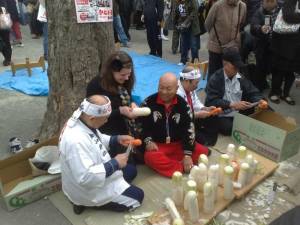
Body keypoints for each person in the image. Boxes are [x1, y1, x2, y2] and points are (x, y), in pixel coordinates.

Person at [59, 95, 144, 214]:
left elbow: (95, 138)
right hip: (87, 188)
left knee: (132, 171)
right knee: (138, 197)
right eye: (105, 118)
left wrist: (116, 139)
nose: (107, 121)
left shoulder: (82, 117)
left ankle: (114, 188)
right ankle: (86, 203)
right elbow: (85, 177)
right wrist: (115, 163)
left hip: (96, 172)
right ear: (93, 118)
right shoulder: (75, 141)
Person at [139, 73, 209, 177]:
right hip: (158, 146)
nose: (164, 92)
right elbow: (140, 125)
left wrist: (187, 154)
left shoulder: (184, 105)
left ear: (176, 88)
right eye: (161, 88)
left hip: (178, 144)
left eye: (168, 89)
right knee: (150, 157)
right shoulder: (148, 102)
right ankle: (180, 167)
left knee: (203, 152)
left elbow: (189, 129)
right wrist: (148, 141)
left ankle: (178, 162)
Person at [86, 51, 141, 156]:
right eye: (122, 75)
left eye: (129, 74)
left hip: (124, 127)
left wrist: (132, 103)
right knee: (130, 169)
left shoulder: (125, 82)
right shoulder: (96, 85)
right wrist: (120, 111)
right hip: (106, 131)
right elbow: (92, 116)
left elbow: (127, 99)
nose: (126, 78)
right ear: (111, 71)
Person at [205, 48, 265, 135]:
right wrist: (232, 104)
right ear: (225, 64)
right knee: (229, 128)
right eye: (235, 67)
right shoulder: (215, 79)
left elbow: (252, 91)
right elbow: (211, 101)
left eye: (238, 67)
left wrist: (260, 100)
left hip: (238, 111)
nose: (237, 69)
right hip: (221, 113)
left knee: (263, 111)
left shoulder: (240, 77)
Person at [205, 0, 247, 80]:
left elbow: (241, 24)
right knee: (214, 74)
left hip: (232, 48)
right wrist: (215, 37)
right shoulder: (218, 5)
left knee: (229, 75)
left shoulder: (243, 6)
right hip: (216, 47)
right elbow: (207, 24)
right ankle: (211, 91)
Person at [177, 66, 218, 146]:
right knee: (202, 140)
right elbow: (181, 116)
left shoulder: (189, 88)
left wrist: (205, 108)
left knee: (213, 115)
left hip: (191, 117)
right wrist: (198, 115)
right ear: (186, 81)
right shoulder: (177, 93)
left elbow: (195, 101)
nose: (197, 86)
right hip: (181, 124)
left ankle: (203, 136)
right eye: (196, 83)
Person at [269, 0, 300, 105]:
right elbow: (288, 16)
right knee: (279, 70)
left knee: (291, 72)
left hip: (297, 45)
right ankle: (274, 92)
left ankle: (286, 94)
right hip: (283, 43)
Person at [250, 0, 280, 91]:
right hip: (263, 45)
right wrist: (260, 29)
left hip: (277, 44)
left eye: (266, 1)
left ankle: (268, 85)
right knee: (260, 67)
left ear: (273, 2)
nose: (263, 3)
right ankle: (257, 88)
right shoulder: (260, 11)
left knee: (272, 66)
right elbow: (253, 26)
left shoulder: (281, 9)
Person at [174, 0, 200, 65]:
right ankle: (183, 60)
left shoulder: (192, 1)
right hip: (183, 26)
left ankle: (195, 61)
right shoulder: (178, 1)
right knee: (183, 44)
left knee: (193, 45)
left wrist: (186, 22)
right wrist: (177, 23)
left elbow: (195, 11)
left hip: (192, 26)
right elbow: (177, 12)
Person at [0, 0, 12, 66]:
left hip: (3, 24)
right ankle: (7, 58)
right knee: (4, 42)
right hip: (3, 23)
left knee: (5, 41)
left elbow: (3, 8)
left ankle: (8, 59)